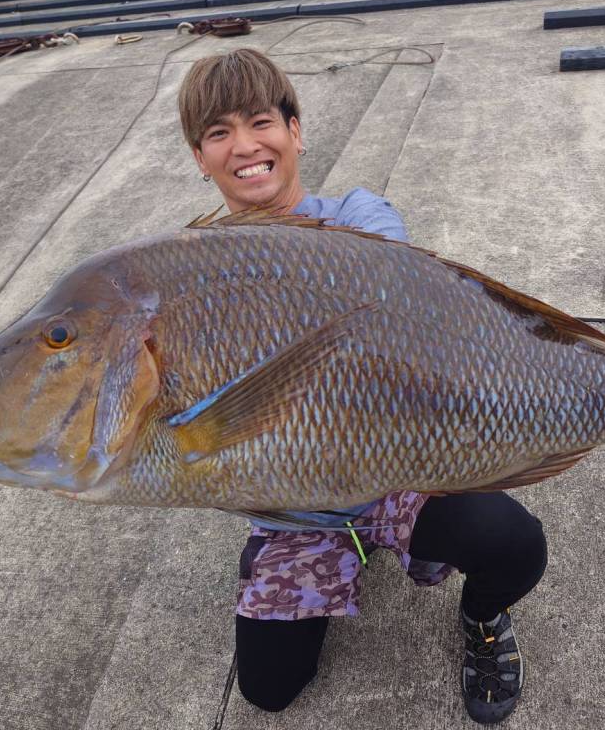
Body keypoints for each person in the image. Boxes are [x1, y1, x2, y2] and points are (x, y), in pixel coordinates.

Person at [177, 48, 547, 725]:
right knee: (268, 689)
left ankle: (483, 616)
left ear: (295, 131)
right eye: (218, 133)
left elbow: (385, 288)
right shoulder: (185, 270)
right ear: (199, 157)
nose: (245, 146)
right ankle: (329, 549)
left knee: (514, 541)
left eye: (261, 122)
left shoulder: (359, 213)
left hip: (396, 477)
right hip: (295, 511)